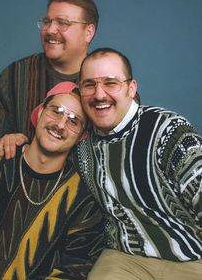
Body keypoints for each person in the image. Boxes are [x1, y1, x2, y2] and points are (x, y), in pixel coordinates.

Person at [76, 47, 202, 279]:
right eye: (89, 84)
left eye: (111, 83)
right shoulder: (83, 147)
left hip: (192, 257)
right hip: (124, 258)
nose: (99, 94)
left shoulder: (167, 130)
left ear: (131, 88)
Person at [0, 82, 103, 280]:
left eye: (74, 121)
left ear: (82, 136)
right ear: (39, 113)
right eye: (56, 111)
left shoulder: (82, 198)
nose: (60, 124)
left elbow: (75, 269)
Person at [0, 0, 98, 146]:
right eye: (47, 21)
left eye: (62, 23)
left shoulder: (106, 85)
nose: (49, 30)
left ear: (88, 33)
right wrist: (6, 144)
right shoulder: (14, 77)